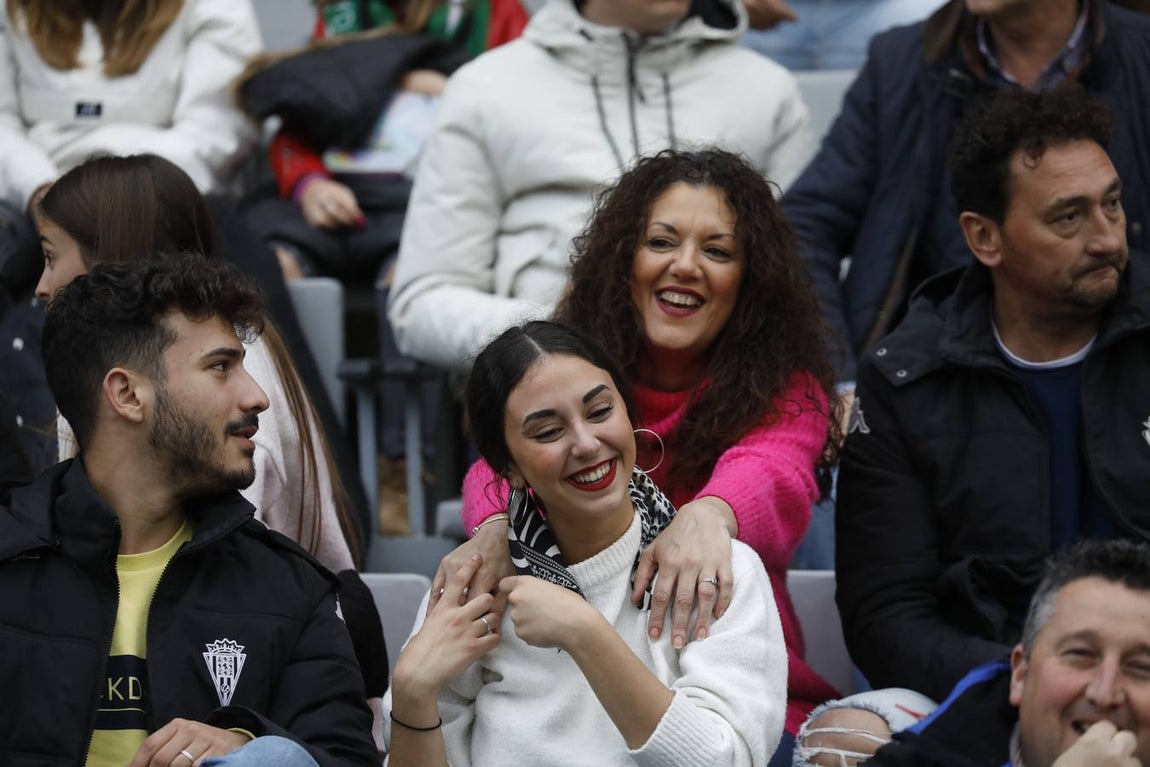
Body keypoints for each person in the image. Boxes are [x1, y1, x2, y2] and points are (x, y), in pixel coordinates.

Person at [443, 148, 841, 760]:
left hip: (725, 677)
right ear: (624, 259)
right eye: (662, 242)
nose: (685, 267)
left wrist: (707, 514)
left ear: (750, 279)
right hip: (560, 695)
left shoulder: (786, 387)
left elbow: (773, 469)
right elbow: (493, 467)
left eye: (717, 250)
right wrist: (498, 522)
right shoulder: (571, 368)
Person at [798, 86, 1150, 765]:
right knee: (840, 744)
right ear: (984, 236)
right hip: (984, 685)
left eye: (1111, 203)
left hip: (1143, 669)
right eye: (1068, 217)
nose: (1107, 237)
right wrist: (1031, 679)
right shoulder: (906, 376)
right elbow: (886, 612)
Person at [0, 255, 377, 767]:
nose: (258, 396)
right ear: (128, 393)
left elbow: (345, 757)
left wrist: (252, 742)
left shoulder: (291, 589)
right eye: (221, 367)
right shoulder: (10, 563)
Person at [385, 320, 787, 766]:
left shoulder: (718, 571)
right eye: (547, 432)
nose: (586, 443)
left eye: (599, 412)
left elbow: (727, 760)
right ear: (509, 469)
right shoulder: (475, 587)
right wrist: (411, 696)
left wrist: (585, 632)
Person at [387, 0, 811, 370]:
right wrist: (558, 326)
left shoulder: (767, 90)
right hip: (543, 405)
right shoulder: (485, 89)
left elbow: (799, 288)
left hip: (725, 396)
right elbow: (421, 305)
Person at [783, 0, 1150, 395]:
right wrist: (841, 381)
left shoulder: (1140, 56)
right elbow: (802, 227)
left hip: (1123, 380)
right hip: (926, 391)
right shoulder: (903, 60)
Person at [33, 153, 362, 574]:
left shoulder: (228, 389)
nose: (42, 287)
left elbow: (224, 592)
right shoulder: (104, 370)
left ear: (106, 255)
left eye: (50, 257)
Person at [865, 539, 1150, 767]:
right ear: (1020, 674)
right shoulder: (921, 759)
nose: (1104, 693)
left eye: (1141, 667)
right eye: (1080, 654)